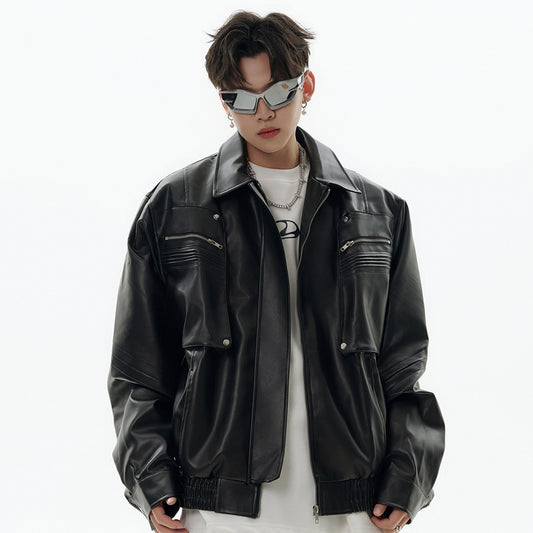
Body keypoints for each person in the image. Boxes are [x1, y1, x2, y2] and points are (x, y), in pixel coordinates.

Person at [107, 11, 445, 533]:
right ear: (224, 104)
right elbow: (138, 369)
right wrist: (150, 480)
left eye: (278, 92)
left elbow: (403, 364)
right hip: (219, 504)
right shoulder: (175, 207)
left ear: (306, 86)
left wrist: (407, 479)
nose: (262, 112)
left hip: (353, 502)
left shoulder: (378, 211)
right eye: (241, 99)